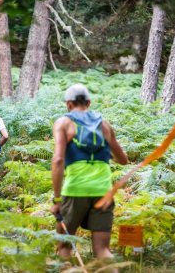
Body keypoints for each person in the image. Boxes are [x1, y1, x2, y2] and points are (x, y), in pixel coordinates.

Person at [50, 84, 128, 260]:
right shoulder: (104, 125)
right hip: (103, 191)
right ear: (89, 102)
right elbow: (123, 159)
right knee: (103, 250)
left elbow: (58, 160)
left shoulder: (63, 123)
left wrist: (56, 200)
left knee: (64, 246)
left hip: (75, 190)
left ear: (68, 104)